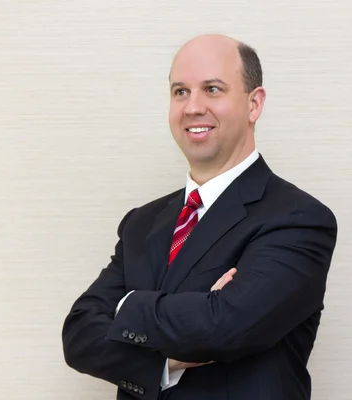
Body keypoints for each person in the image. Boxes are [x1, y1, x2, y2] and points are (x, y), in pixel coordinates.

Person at [62, 33, 338, 400]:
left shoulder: (298, 219)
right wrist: (167, 361)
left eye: (212, 89)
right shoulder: (141, 223)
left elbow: (226, 326)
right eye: (180, 91)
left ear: (254, 104)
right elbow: (79, 335)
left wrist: (126, 306)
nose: (193, 107)